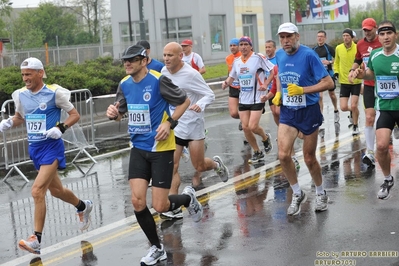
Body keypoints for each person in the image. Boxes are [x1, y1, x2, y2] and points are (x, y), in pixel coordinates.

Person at [106, 45, 202, 265]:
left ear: (144, 61)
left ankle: (188, 199)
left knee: (160, 206)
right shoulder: (124, 84)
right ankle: (156, 248)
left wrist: (169, 123)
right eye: (125, 61)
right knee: (138, 201)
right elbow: (120, 112)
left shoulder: (158, 80)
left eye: (132, 60)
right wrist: (113, 114)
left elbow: (184, 101)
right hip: (138, 148)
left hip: (161, 149)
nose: (127, 64)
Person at [0, 57, 93, 254]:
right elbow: (20, 117)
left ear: (40, 73)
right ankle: (83, 206)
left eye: (29, 74)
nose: (25, 78)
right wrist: (9, 122)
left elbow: (75, 115)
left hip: (52, 147)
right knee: (57, 190)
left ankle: (36, 240)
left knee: (37, 191)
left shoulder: (54, 94)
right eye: (23, 74)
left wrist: (60, 128)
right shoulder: (20, 95)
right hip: (35, 149)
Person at [160, 42, 229, 219]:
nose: (166, 59)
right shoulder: (163, 73)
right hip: (175, 125)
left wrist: (200, 104)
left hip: (193, 124)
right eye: (165, 55)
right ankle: (173, 205)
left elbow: (209, 94)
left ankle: (215, 164)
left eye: (171, 55)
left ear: (180, 56)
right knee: (172, 166)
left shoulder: (191, 74)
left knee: (198, 165)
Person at [272, 22, 334, 215]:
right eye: (282, 37)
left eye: (289, 36)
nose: (285, 40)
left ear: (297, 37)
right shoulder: (279, 55)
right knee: (283, 155)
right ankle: (297, 193)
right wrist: (280, 93)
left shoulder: (309, 55)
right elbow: (281, 75)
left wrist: (303, 90)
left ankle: (321, 192)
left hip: (308, 110)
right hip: (289, 111)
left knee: (308, 158)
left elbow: (328, 82)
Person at [351, 20, 399, 200]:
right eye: (382, 34)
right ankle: (387, 179)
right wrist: (361, 74)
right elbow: (371, 73)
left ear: (395, 35)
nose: (386, 37)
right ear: (379, 37)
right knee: (381, 146)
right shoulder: (376, 55)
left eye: (389, 33)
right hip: (385, 107)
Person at [221, 36, 274, 164]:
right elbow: (232, 76)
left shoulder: (258, 58)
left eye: (246, 44)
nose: (243, 47)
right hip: (243, 98)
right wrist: (226, 82)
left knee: (253, 126)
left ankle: (265, 138)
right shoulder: (237, 61)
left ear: (251, 46)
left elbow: (272, 70)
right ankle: (257, 151)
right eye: (241, 44)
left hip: (258, 97)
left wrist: (266, 84)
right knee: (245, 127)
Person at [348, 18, 381, 169]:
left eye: (370, 29)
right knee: (369, 117)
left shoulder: (383, 41)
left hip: (384, 86)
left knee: (386, 117)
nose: (367, 33)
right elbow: (357, 59)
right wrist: (352, 70)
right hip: (368, 85)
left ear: (376, 28)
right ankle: (371, 153)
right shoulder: (360, 44)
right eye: (365, 30)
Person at [333, 29, 363, 136]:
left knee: (354, 105)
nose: (345, 38)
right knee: (343, 107)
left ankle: (355, 126)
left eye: (347, 36)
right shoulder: (338, 48)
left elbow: (361, 62)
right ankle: (354, 112)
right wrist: (336, 72)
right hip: (344, 81)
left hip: (356, 81)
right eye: (344, 35)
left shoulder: (357, 47)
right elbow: (336, 62)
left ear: (352, 37)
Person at [312, 30, 340, 129]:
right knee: (319, 96)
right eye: (318, 36)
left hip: (329, 74)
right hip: (318, 76)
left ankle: (336, 110)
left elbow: (336, 59)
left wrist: (329, 62)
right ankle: (321, 116)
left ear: (325, 38)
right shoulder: (314, 49)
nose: (319, 38)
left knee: (332, 95)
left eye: (321, 36)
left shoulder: (329, 48)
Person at [225, 38, 242, 126]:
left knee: (244, 110)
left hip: (244, 88)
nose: (232, 47)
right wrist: (226, 82)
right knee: (233, 113)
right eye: (231, 46)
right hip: (233, 87)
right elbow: (230, 72)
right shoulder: (228, 58)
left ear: (239, 46)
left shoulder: (243, 56)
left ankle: (245, 120)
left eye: (234, 45)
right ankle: (244, 118)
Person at [265, 40, 280, 126]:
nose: (267, 49)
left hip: (278, 89)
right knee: (274, 112)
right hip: (270, 90)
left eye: (269, 47)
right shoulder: (264, 60)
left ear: (274, 48)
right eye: (266, 47)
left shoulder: (278, 59)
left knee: (278, 112)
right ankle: (280, 130)